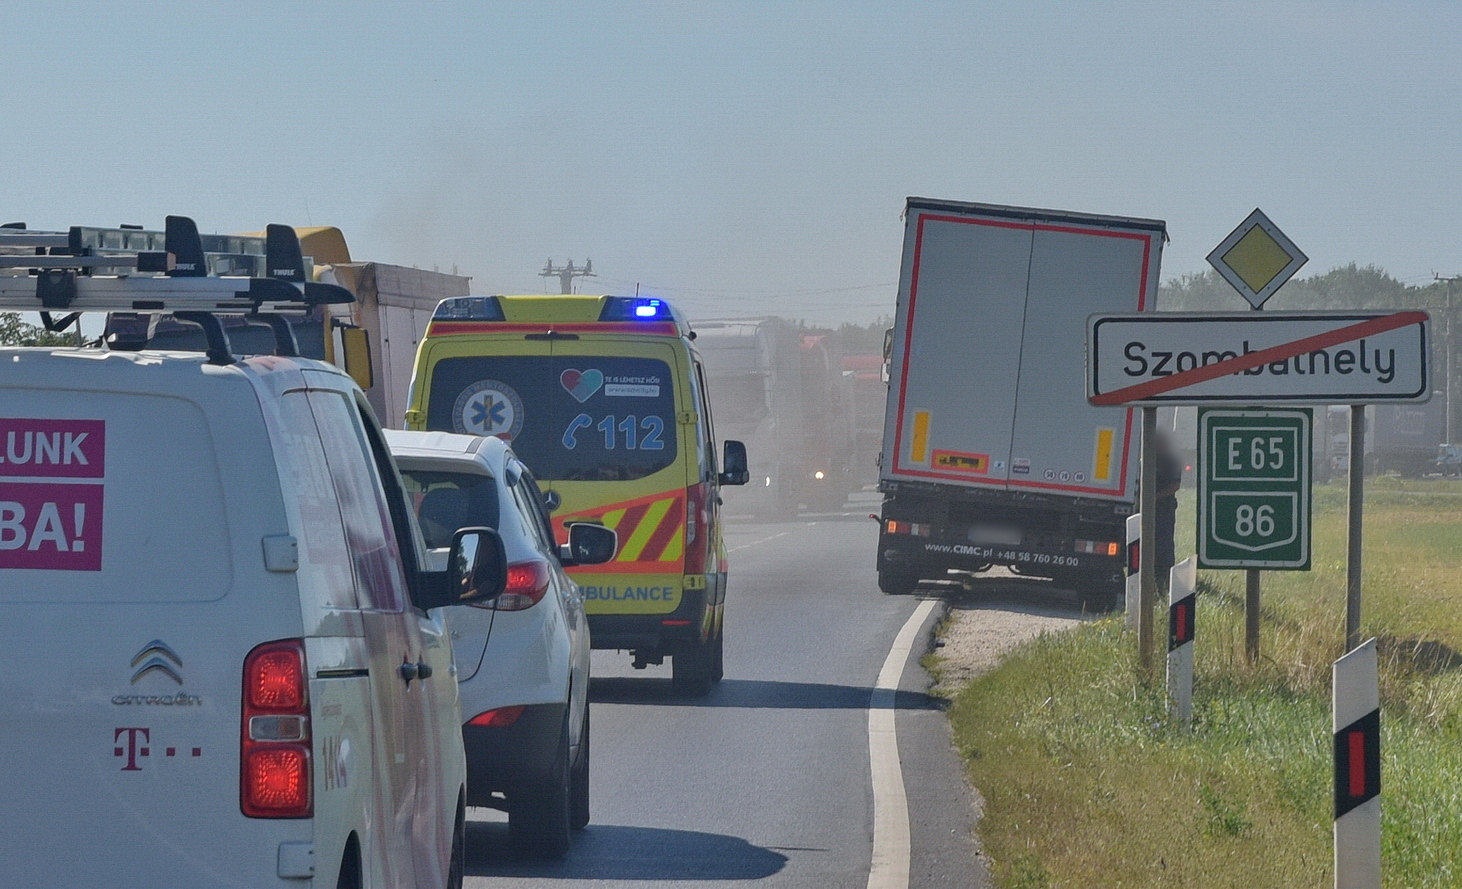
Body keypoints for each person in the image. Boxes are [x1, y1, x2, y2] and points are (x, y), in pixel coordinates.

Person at [1153, 431, 1182, 591]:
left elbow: (1175, 485)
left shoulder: (1172, 462)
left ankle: (1165, 577)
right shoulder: (1147, 458)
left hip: (1164, 509)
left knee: (1164, 544)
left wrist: (1156, 497)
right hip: (1143, 508)